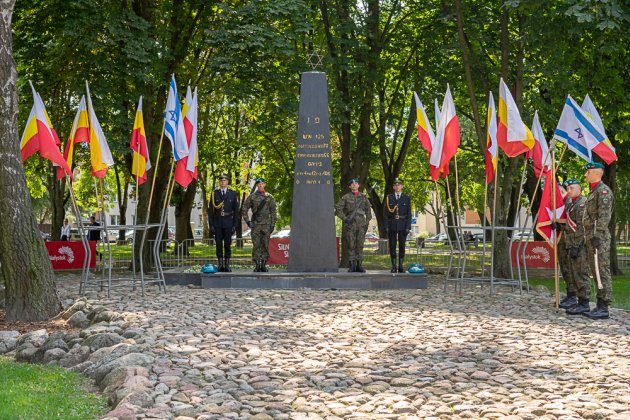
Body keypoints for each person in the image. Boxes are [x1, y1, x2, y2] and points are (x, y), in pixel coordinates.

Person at [582, 162, 614, 319]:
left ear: (596, 173)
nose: (585, 175)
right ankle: (599, 303)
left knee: (602, 269)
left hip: (598, 237)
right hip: (591, 236)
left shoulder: (603, 192)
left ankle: (604, 306)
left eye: (587, 172)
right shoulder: (593, 191)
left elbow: (604, 215)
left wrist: (598, 234)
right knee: (595, 271)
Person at [558, 179, 592, 315]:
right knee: (573, 273)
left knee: (581, 273)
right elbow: (570, 224)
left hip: (580, 245)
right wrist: (560, 225)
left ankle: (584, 302)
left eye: (572, 188)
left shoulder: (582, 204)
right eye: (568, 188)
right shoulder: (573, 204)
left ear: (579, 189)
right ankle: (577, 300)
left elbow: (581, 227)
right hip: (571, 243)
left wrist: (577, 245)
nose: (569, 191)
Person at [335, 178, 372, 273]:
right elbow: (338, 209)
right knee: (351, 245)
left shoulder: (363, 197)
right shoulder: (346, 197)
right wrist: (345, 218)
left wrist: (366, 222)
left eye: (356, 183)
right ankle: (351, 265)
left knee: (360, 245)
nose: (354, 185)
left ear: (359, 185)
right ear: (350, 186)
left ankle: (359, 265)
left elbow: (368, 210)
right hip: (350, 225)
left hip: (361, 224)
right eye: (352, 183)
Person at [242, 178, 277, 272]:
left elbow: (273, 211)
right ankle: (257, 265)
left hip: (266, 225)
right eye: (259, 184)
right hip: (255, 225)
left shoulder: (269, 197)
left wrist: (273, 224)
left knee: (265, 245)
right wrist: (248, 222)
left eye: (262, 184)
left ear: (265, 185)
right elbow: (244, 209)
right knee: (256, 245)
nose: (261, 185)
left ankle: (264, 265)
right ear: (257, 185)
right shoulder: (252, 197)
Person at [210, 174, 239, 272]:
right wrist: (211, 225)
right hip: (217, 222)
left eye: (225, 180)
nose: (223, 182)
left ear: (228, 182)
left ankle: (227, 265)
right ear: (219, 182)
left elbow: (236, 211)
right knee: (218, 245)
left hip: (228, 222)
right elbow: (211, 211)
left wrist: (235, 225)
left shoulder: (233, 194)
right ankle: (220, 265)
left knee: (227, 244)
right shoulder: (214, 193)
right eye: (221, 181)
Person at [383, 178, 411, 273]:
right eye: (396, 185)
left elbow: (409, 214)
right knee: (392, 246)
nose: (397, 186)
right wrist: (386, 226)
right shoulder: (389, 197)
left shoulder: (406, 198)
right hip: (392, 225)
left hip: (403, 225)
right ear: (393, 187)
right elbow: (386, 214)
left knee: (402, 246)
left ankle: (401, 266)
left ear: (402, 186)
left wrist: (408, 227)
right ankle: (394, 266)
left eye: (399, 185)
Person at [557, 181, 577, 309]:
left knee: (570, 269)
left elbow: (572, 222)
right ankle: (570, 293)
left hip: (570, 241)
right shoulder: (560, 203)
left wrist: (561, 224)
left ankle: (573, 295)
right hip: (562, 240)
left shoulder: (569, 202)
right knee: (564, 268)